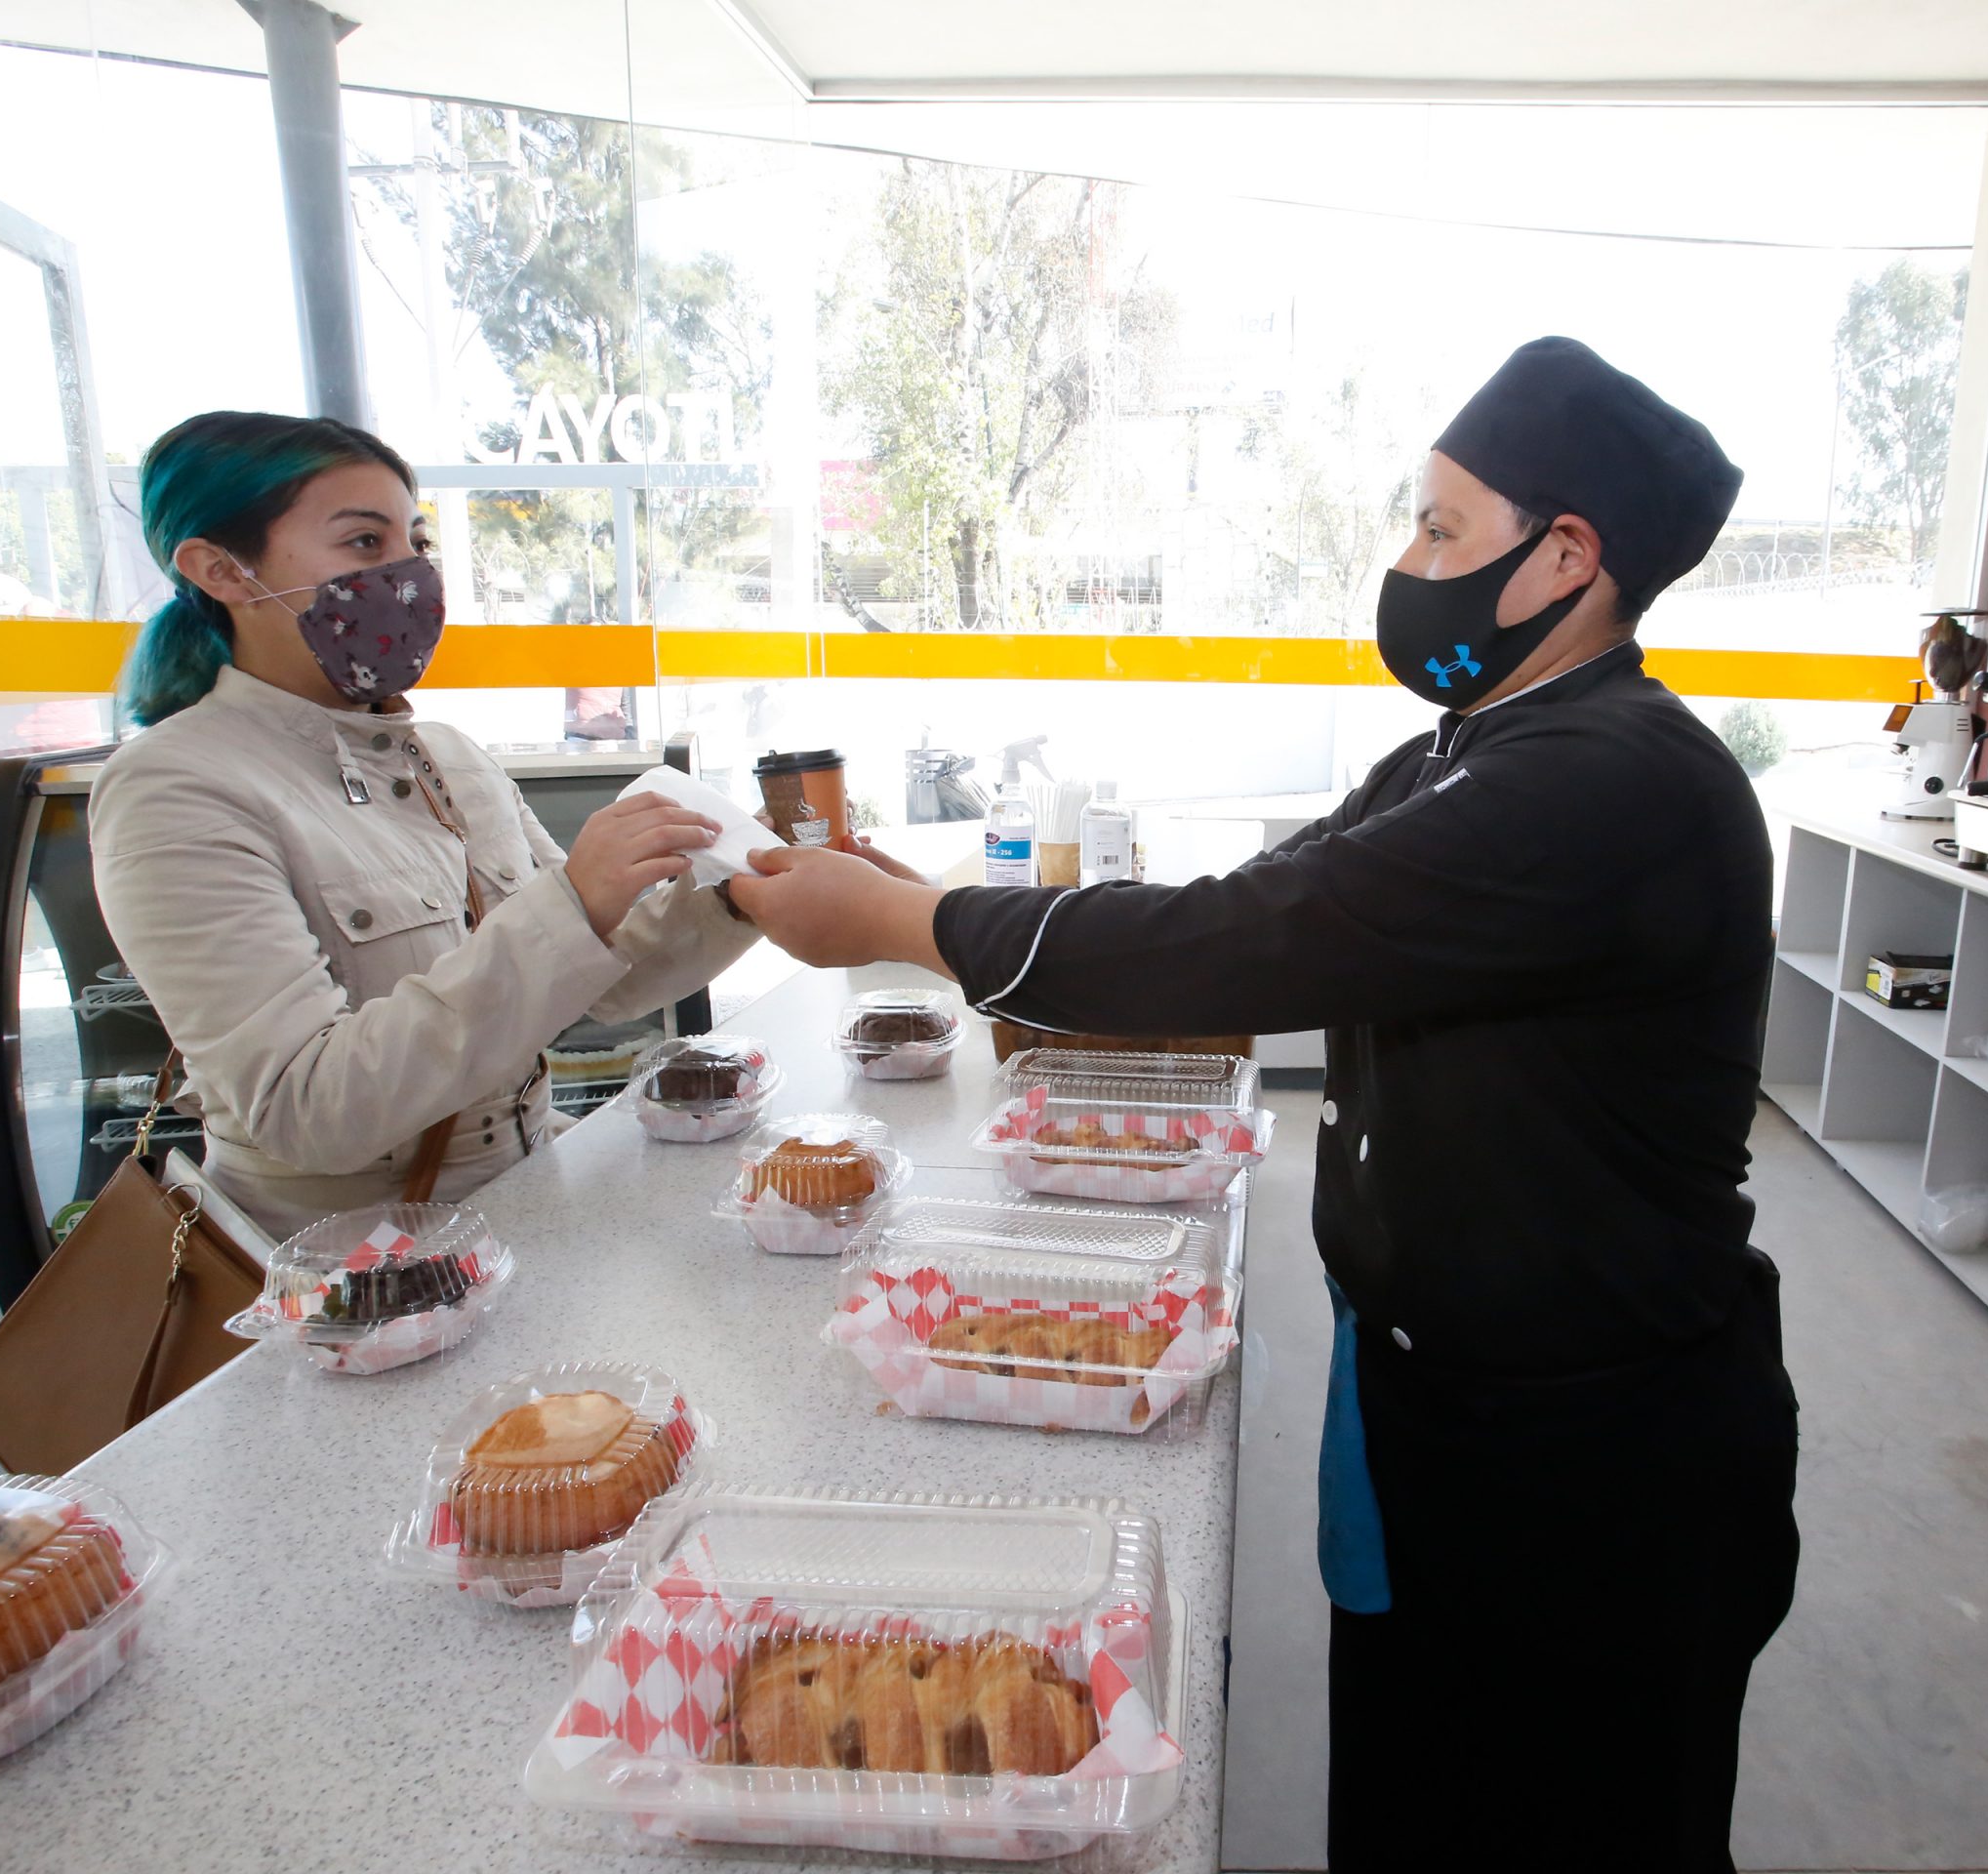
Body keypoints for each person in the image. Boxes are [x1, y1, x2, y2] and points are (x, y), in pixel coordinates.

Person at [726, 338, 1800, 1869]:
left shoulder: (1613, 780)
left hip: (1593, 1449)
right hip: (1442, 1390)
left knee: (1576, 1821)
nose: (1409, 563)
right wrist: (921, 897)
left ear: (1567, 555)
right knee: (1423, 1794)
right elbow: (1265, 913)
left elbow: (1254, 943)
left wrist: (909, 931)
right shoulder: (1464, 753)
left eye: (1441, 528)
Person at [91, 410, 755, 1239]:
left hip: (522, 1201)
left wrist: (741, 890)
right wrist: (573, 903)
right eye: (365, 544)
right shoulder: (174, 787)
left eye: (416, 543)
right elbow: (309, 1109)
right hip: (349, 1265)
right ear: (221, 568)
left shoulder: (448, 757)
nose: (407, 577)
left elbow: (606, 981)